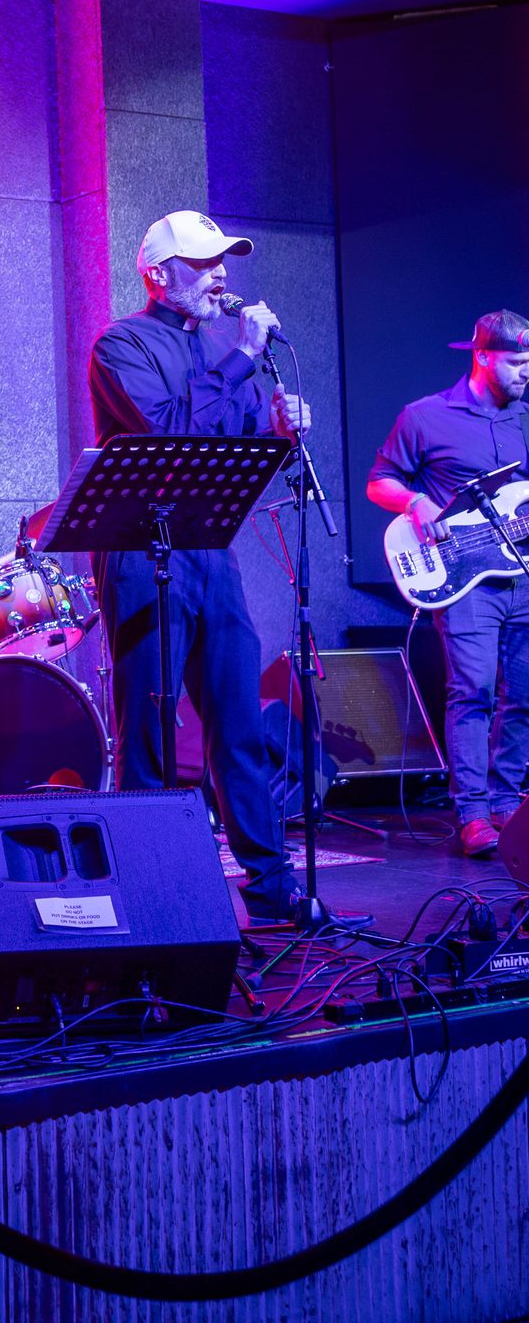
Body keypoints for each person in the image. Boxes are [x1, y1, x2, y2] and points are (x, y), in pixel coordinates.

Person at [87, 210, 326, 925]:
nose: (220, 274)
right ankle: (150, 891)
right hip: (142, 553)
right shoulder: (122, 344)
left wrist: (279, 430)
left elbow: (237, 454)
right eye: (202, 263)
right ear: (158, 274)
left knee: (238, 719)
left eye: (223, 260)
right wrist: (244, 358)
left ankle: (272, 885)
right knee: (150, 726)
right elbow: (169, 431)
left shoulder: (221, 349)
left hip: (211, 551)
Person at [366, 309, 529, 858]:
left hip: (523, 573)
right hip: (464, 578)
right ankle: (474, 814)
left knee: (524, 696)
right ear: (481, 356)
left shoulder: (526, 418)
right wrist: (415, 502)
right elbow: (379, 482)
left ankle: (507, 805)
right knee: (473, 691)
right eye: (516, 361)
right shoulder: (425, 416)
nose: (527, 371)